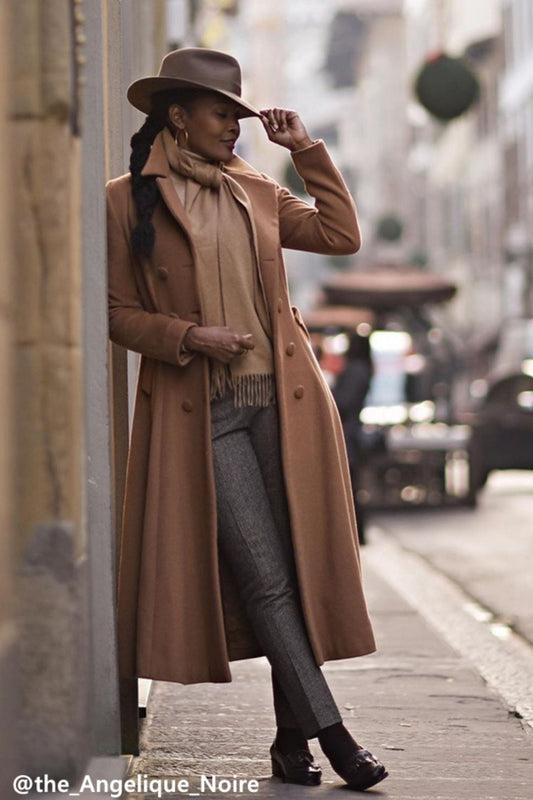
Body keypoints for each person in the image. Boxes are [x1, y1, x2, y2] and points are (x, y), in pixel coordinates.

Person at [107, 47, 388, 791]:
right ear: (177, 115)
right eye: (220, 113)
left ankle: (285, 744)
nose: (234, 126)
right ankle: (333, 737)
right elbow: (116, 313)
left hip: (285, 408)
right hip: (207, 414)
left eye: (237, 113)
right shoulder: (124, 199)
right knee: (265, 581)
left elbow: (337, 236)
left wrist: (305, 151)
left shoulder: (256, 189)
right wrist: (188, 336)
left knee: (295, 572)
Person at [332, 332, 374, 545]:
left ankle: (356, 532)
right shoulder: (364, 369)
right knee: (352, 485)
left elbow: (344, 402)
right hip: (352, 434)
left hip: (347, 435)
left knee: (349, 486)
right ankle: (358, 532)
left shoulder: (355, 371)